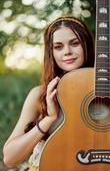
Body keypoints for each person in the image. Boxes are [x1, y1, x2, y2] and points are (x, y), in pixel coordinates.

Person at [3, 17, 95, 171]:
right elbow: (10, 158)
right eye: (58, 47)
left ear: (87, 45)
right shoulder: (40, 95)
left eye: (75, 43)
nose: (67, 52)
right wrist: (49, 118)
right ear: (51, 53)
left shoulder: (109, 90)